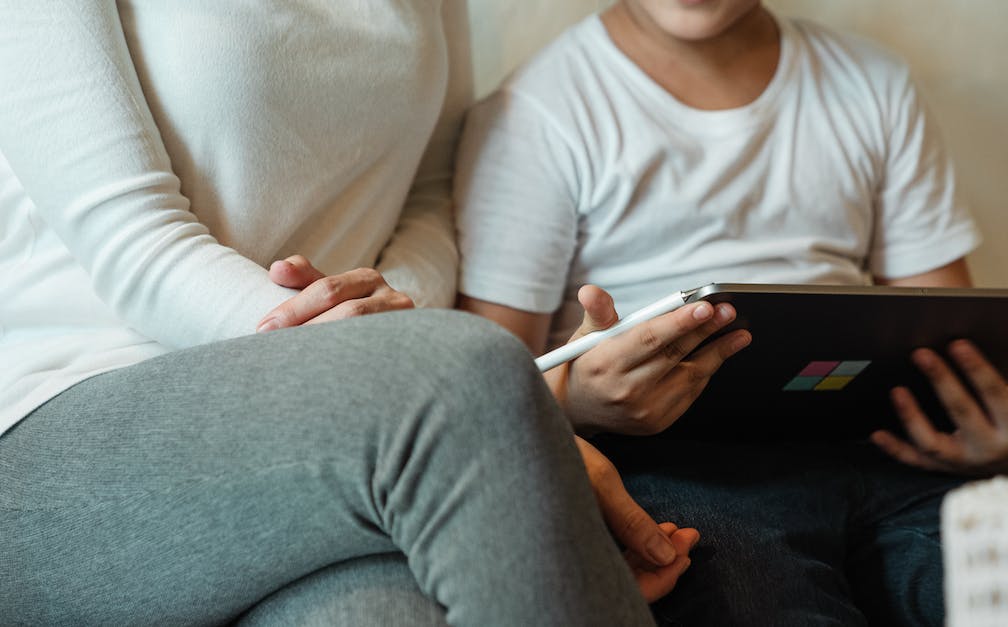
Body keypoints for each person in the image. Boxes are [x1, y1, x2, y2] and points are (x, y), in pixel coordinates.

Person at [0, 2, 690, 624]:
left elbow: (431, 189)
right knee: (467, 372)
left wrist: (376, 345)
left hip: (334, 437)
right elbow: (131, 237)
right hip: (66, 420)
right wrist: (494, 423)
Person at [453, 0, 1008, 625]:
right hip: (673, 466)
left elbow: (945, 333)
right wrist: (576, 406)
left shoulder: (871, 84)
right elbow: (482, 392)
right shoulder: (536, 110)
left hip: (883, 455)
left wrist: (1006, 443)